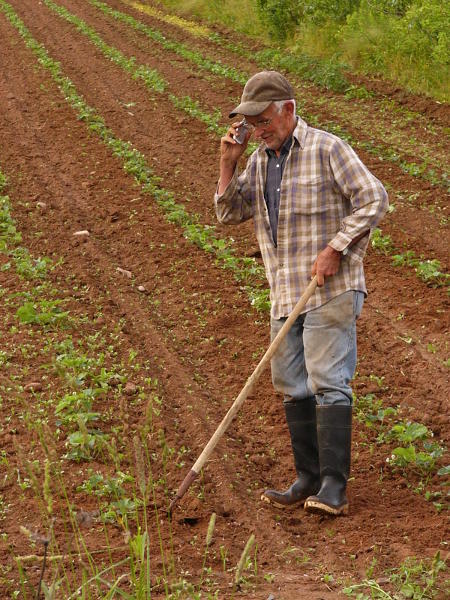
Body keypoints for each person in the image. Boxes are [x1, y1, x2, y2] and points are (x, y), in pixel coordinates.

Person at [214, 71, 388, 516]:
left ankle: (333, 486)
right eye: (252, 122)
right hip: (285, 290)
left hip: (329, 288)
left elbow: (374, 198)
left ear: (288, 110)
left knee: (329, 382)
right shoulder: (259, 159)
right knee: (293, 386)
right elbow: (231, 213)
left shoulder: (327, 148)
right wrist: (227, 164)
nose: (258, 128)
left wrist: (336, 247)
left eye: (264, 118)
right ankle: (307, 478)